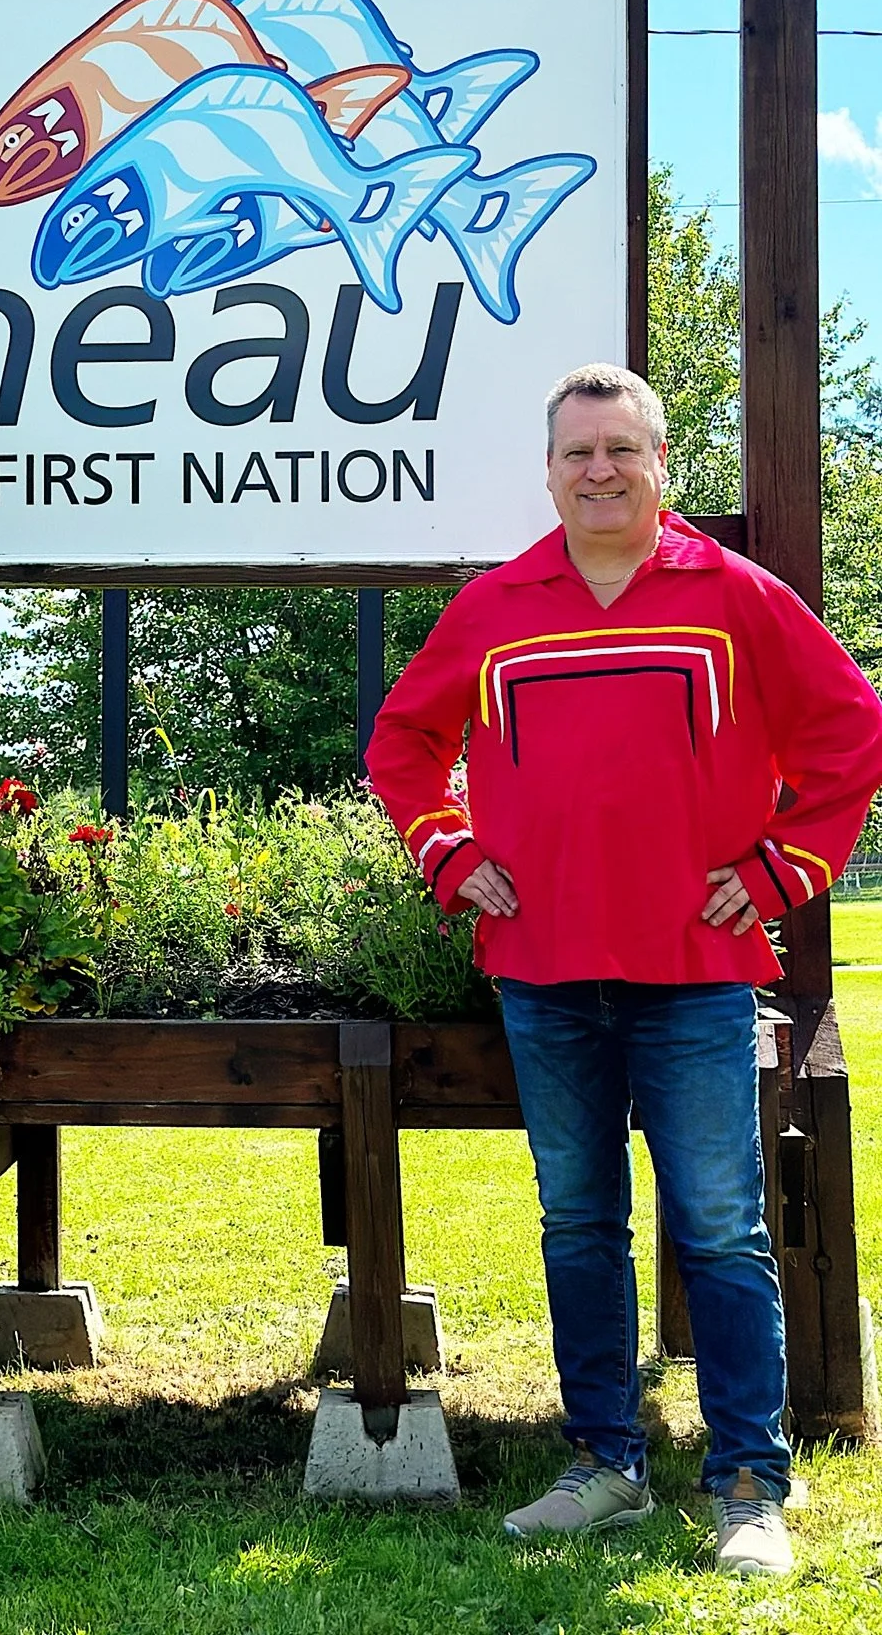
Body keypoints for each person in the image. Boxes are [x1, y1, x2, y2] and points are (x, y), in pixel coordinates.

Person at [365, 362, 882, 1578]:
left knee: (719, 1226)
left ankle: (750, 1483)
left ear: (661, 465)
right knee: (578, 1221)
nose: (600, 470)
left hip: (696, 970)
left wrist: (777, 872)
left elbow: (851, 730)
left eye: (621, 450)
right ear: (548, 471)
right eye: (577, 452)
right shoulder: (498, 603)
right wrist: (449, 850)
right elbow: (404, 740)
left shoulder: (735, 595)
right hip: (542, 970)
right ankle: (604, 1464)